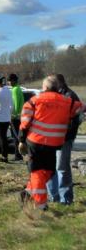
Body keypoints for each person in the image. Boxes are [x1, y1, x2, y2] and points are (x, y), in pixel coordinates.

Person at [19, 75, 82, 210]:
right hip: (54, 144)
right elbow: (80, 109)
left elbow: (25, 121)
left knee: (40, 172)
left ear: (45, 87)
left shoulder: (34, 101)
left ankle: (33, 196)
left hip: (35, 142)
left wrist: (21, 139)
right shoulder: (68, 102)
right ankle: (40, 203)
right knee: (47, 172)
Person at [47, 74, 81, 205]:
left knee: (61, 167)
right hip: (52, 137)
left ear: (58, 83)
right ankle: (54, 197)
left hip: (64, 138)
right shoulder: (54, 95)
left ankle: (65, 199)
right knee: (51, 167)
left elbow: (76, 119)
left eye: (50, 82)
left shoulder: (69, 96)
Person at [8, 74, 24, 161]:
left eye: (9, 81)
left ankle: (18, 155)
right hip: (20, 116)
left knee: (16, 136)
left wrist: (14, 115)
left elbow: (16, 104)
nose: (9, 82)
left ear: (14, 80)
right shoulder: (18, 88)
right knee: (18, 135)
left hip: (16, 117)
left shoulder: (15, 90)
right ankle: (18, 154)